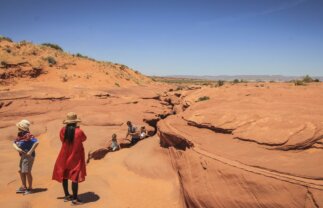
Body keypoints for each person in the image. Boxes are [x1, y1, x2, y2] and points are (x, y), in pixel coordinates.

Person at [52, 112, 87, 205]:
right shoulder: (79, 131)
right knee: (75, 177)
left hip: (64, 155)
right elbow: (84, 139)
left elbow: (61, 139)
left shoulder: (63, 130)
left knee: (65, 175)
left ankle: (67, 195)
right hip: (75, 157)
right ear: (75, 122)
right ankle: (75, 199)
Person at [13, 119, 39, 195]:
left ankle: (30, 188)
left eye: (19, 127)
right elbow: (14, 142)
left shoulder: (28, 135)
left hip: (28, 156)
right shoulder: (20, 134)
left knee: (27, 172)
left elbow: (36, 142)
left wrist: (30, 151)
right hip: (23, 156)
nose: (18, 128)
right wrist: (17, 148)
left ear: (22, 128)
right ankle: (24, 187)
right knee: (20, 171)